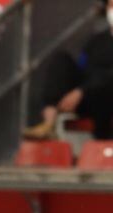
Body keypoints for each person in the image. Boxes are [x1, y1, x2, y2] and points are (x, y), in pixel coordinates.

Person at [24, 0, 113, 140]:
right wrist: (78, 91)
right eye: (111, 5)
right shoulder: (96, 41)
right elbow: (84, 67)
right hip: (88, 99)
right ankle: (49, 124)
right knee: (61, 60)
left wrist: (82, 91)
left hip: (106, 99)